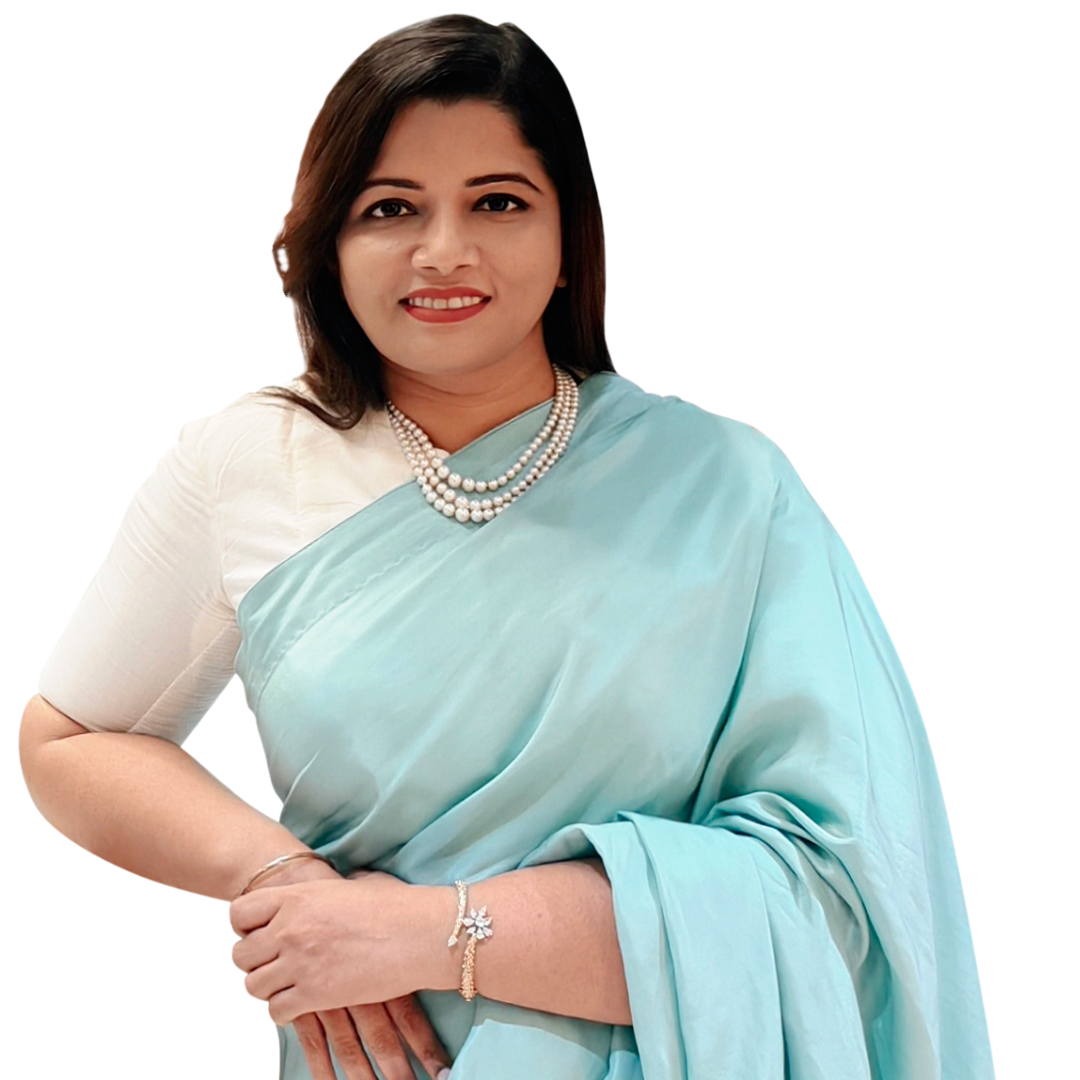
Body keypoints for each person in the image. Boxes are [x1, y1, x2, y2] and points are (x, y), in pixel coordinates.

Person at [19, 14, 995, 1080]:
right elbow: (71, 738)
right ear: (328, 244)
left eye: (498, 201)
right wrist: (280, 875)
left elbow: (843, 894)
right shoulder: (245, 464)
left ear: (570, 235)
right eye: (390, 208)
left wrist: (430, 935)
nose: (444, 250)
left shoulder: (725, 487)